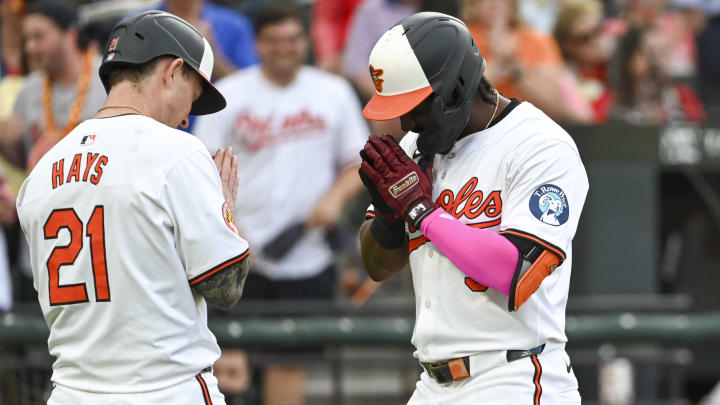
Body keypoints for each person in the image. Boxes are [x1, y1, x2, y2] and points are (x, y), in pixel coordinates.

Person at [16, 10, 250, 405]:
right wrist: (225, 213)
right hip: (166, 391)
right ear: (172, 71)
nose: (186, 116)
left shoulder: (42, 171)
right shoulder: (177, 152)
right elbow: (227, 286)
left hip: (72, 393)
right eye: (191, 97)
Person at [357, 12, 588, 404]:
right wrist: (388, 217)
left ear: (454, 89)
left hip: (511, 375)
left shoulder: (540, 145)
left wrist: (419, 211)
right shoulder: (418, 147)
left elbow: (516, 272)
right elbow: (377, 266)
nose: (405, 121)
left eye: (415, 106)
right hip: (431, 382)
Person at [193, 4, 367, 404]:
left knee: (288, 365)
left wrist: (333, 201)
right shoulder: (230, 95)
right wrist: (231, 227)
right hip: (238, 257)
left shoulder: (332, 92)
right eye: (274, 40)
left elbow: (356, 163)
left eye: (292, 39)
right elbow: (202, 167)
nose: (284, 48)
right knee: (227, 370)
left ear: (304, 42)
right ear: (259, 44)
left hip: (306, 256)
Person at [1, 0, 106, 171]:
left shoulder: (107, 78)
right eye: (27, 39)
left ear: (70, 36)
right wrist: (6, 142)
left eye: (38, 37)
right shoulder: (29, 90)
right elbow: (23, 163)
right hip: (46, 192)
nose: (29, 47)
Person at [462, 0, 590, 123]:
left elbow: (554, 103)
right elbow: (463, 99)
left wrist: (514, 66)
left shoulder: (538, 40)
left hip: (532, 125)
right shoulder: (463, 39)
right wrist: (497, 60)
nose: (493, 3)